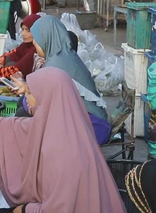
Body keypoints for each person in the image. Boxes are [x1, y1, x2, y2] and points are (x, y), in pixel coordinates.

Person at [0, 67, 126, 213]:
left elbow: (59, 208)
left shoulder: (64, 153)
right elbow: (13, 127)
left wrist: (25, 210)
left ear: (47, 98)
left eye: (29, 93)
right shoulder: (68, 127)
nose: (25, 99)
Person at [30, 15, 111, 145]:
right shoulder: (64, 56)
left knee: (27, 113)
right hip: (87, 118)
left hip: (92, 126)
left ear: (47, 38)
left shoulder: (56, 64)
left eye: (37, 39)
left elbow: (42, 102)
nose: (34, 43)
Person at [0, 14, 41, 82]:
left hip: (27, 85)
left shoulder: (35, 50)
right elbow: (12, 52)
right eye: (22, 29)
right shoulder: (25, 45)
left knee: (10, 65)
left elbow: (15, 69)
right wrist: (1, 62)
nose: (23, 33)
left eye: (28, 30)